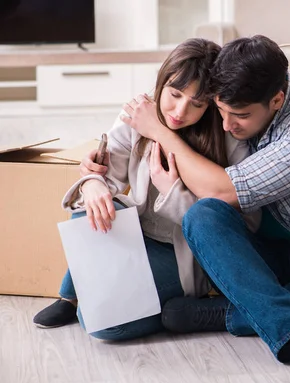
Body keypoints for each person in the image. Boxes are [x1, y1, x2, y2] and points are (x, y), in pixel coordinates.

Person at [87, 35, 290, 378]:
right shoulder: (245, 86)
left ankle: (228, 313)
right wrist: (91, 174)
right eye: (220, 111)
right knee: (203, 215)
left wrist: (161, 133)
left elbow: (225, 190)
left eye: (238, 116)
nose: (226, 126)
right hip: (252, 255)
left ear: (277, 99)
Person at [32, 38, 261, 340]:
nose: (180, 111)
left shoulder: (227, 136)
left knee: (103, 325)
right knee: (92, 210)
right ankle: (70, 297)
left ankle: (178, 314)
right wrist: (91, 184)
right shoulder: (139, 113)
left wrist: (173, 194)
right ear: (161, 82)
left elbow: (244, 226)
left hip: (181, 254)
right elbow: (105, 175)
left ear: (211, 104)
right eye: (175, 94)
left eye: (197, 103)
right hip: (133, 236)